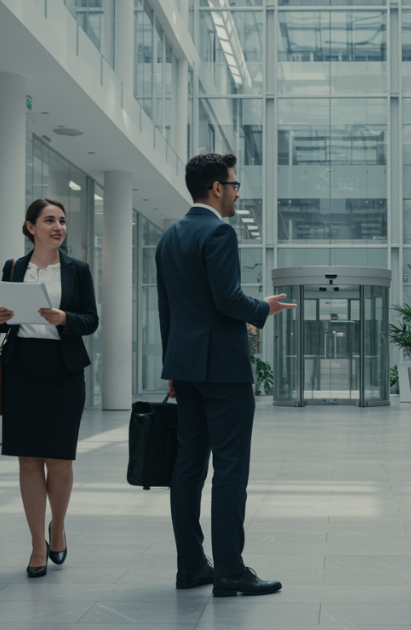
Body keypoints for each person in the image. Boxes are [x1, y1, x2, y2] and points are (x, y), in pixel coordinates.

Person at [157, 153, 295, 597]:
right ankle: (231, 571)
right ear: (216, 188)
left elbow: (167, 309)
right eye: (234, 186)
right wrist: (263, 308)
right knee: (231, 470)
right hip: (223, 369)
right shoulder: (219, 231)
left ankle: (191, 566)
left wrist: (173, 364)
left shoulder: (170, 235)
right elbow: (228, 300)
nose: (237, 194)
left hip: (187, 368)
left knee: (188, 469)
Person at [0, 198, 98, 578]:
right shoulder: (14, 268)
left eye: (62, 221)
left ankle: (58, 527)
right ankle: (38, 543)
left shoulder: (77, 269)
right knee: (28, 459)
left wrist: (65, 318)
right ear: (30, 227)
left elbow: (91, 320)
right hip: (22, 369)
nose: (58, 227)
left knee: (60, 460)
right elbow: (3, 321)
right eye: (49, 220)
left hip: (63, 370)